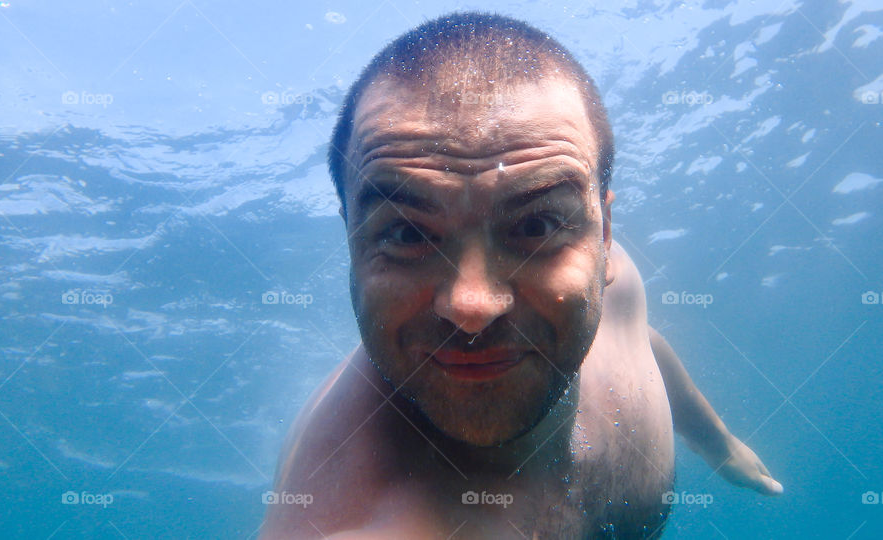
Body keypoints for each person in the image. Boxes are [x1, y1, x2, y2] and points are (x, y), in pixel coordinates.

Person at [261, 12, 781, 539]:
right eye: (406, 234)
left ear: (603, 238)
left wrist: (717, 443)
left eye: (535, 223)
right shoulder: (351, 521)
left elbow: (637, 339)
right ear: (350, 243)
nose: (472, 306)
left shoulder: (617, 279)